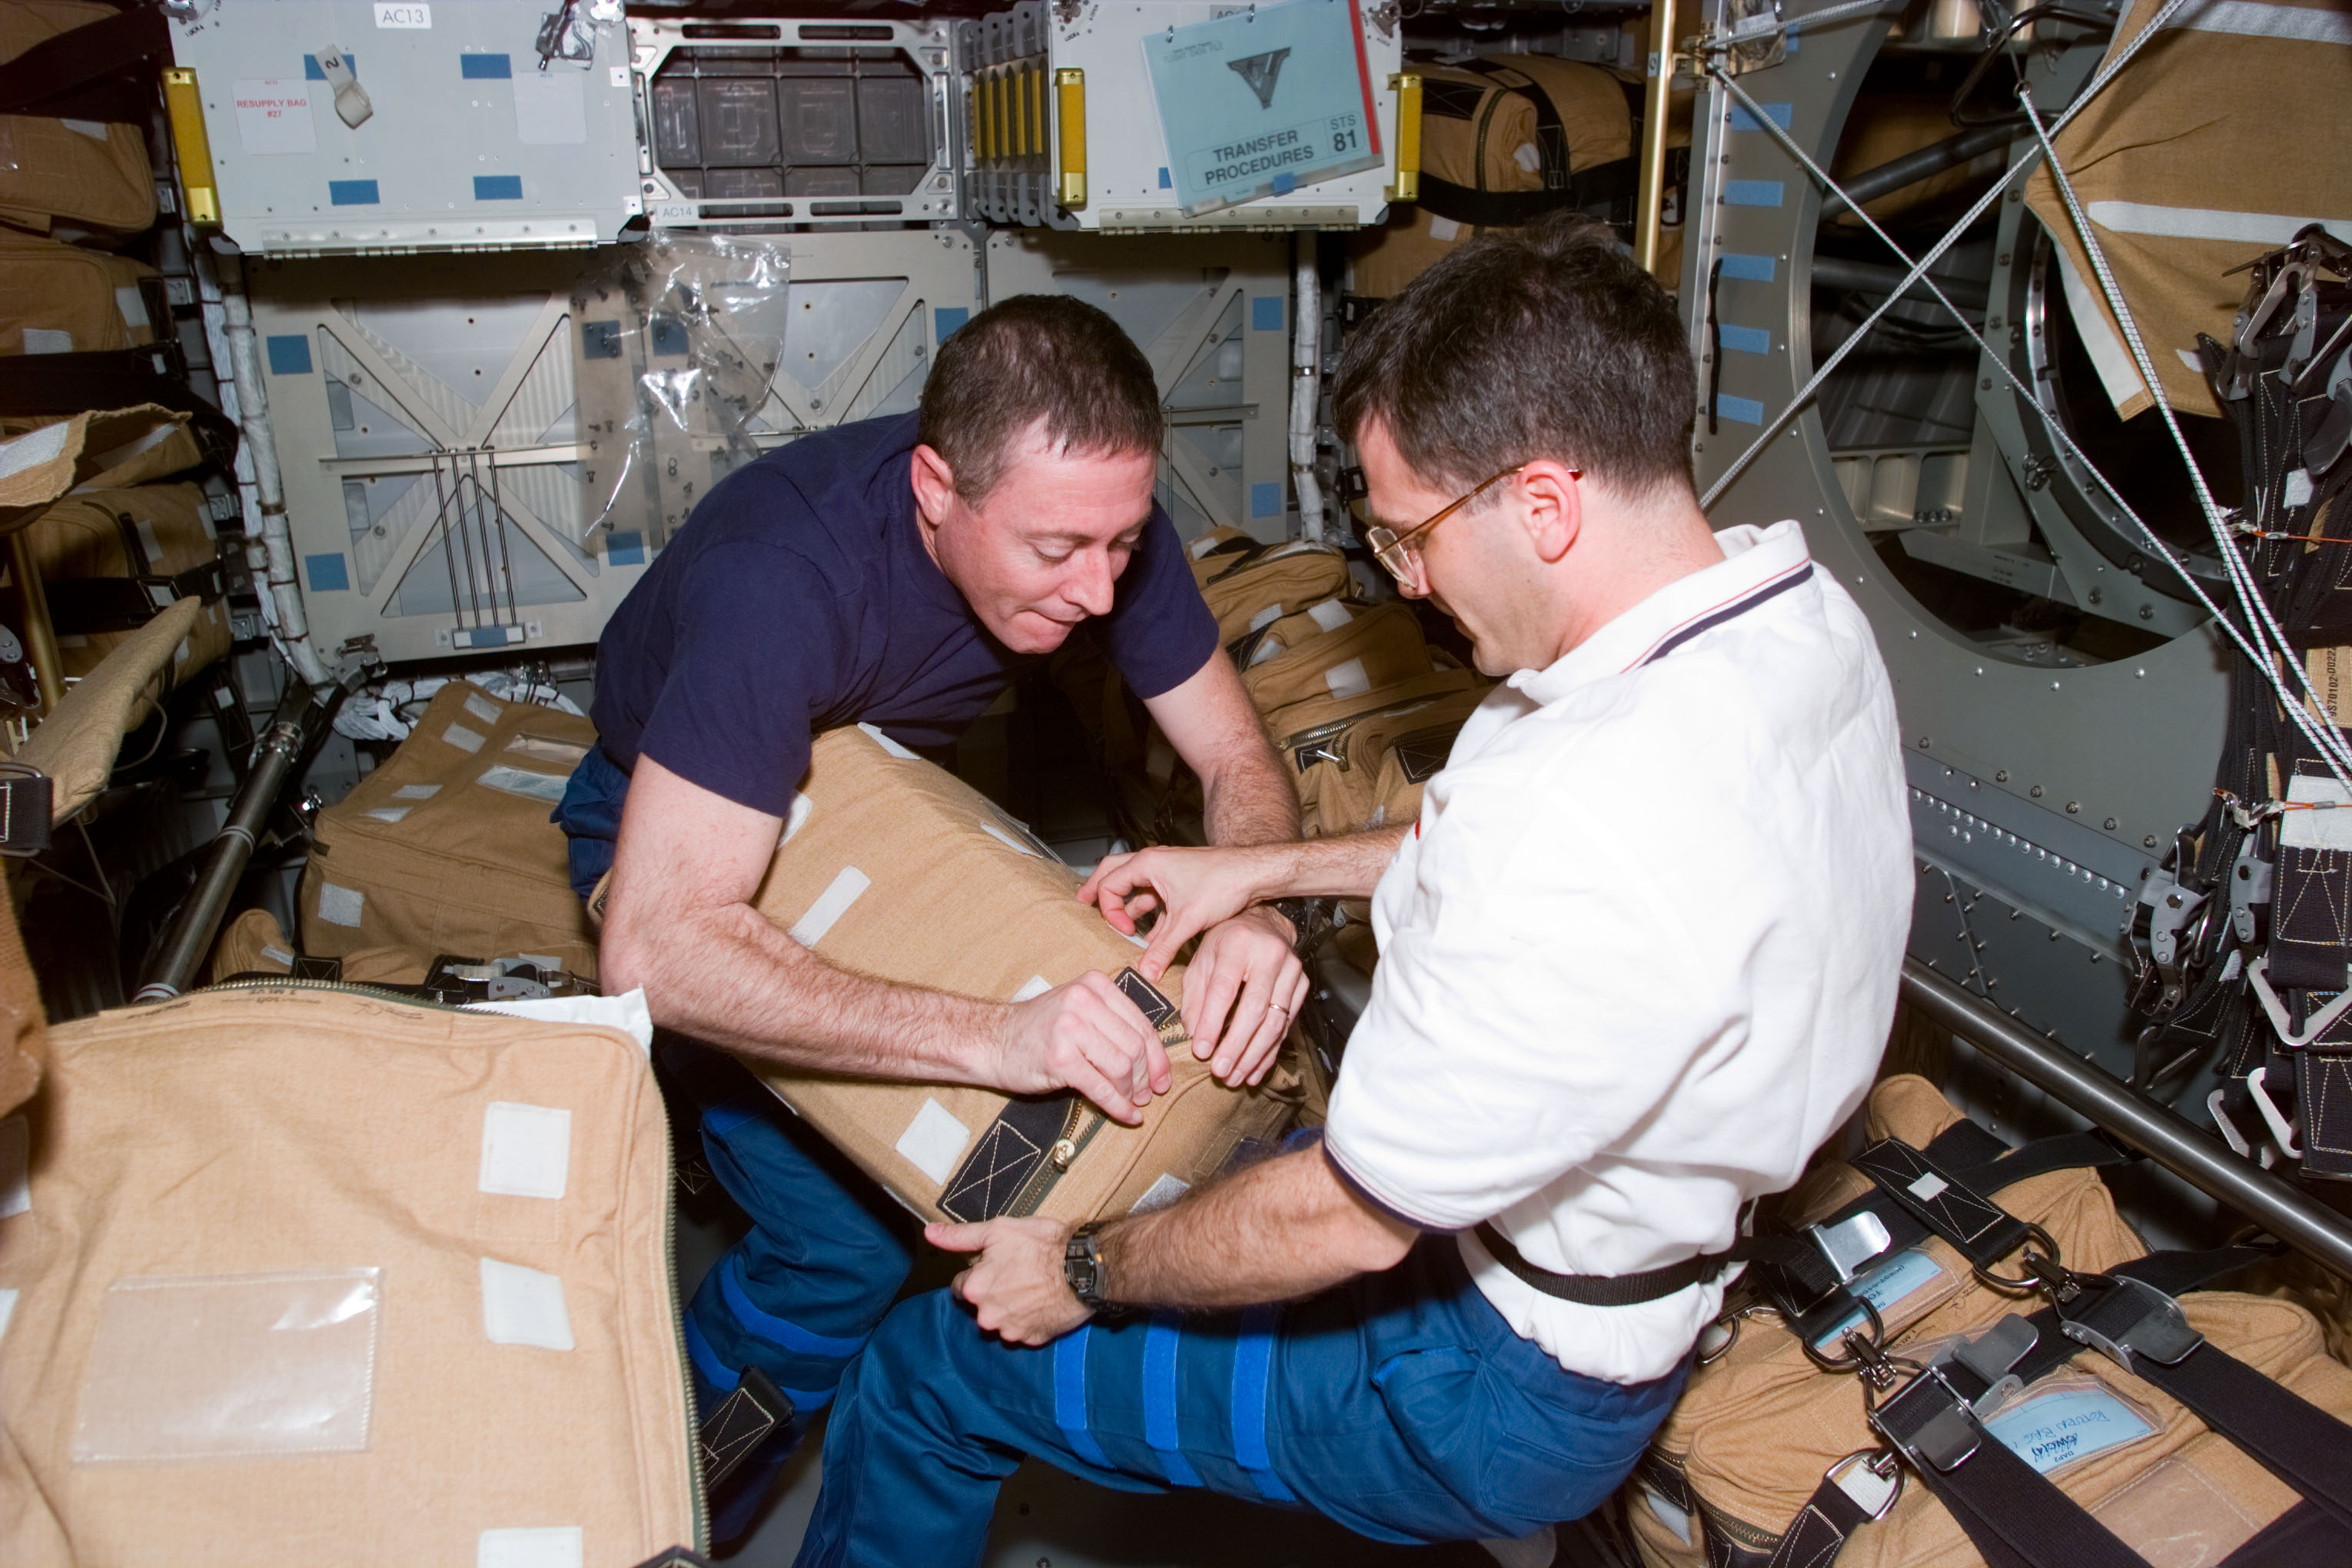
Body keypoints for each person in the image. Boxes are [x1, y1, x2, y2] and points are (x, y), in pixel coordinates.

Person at [788, 215, 1914, 1566]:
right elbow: (1499, 852)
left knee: (932, 1366)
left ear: (1545, 504)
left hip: (1479, 1384)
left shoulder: (1568, 815)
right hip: (1594, 1272)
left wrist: (1074, 1271)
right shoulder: (1794, 623)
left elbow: (1345, 1217)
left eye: (1409, 537)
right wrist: (1263, 866)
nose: (1412, 581)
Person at [553, 295, 1311, 1541]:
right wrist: (992, 1038)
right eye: (1058, 550)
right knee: (843, 1247)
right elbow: (664, 941)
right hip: (678, 823)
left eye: (1121, 546)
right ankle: (647, 1510)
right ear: (934, 488)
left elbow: (1233, 753)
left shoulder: (1098, 522)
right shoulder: (779, 582)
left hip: (877, 812)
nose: (1101, 588)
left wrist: (1256, 905)